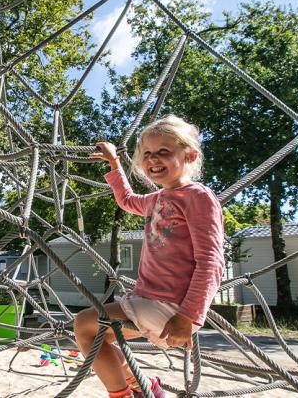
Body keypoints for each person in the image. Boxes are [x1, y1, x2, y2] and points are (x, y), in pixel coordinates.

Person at [73, 115, 224, 398]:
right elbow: (128, 200)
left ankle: (124, 394)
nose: (154, 159)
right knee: (97, 336)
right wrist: (115, 164)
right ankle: (143, 386)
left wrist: (189, 317)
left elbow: (212, 261)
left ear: (190, 155)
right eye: (147, 154)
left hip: (170, 305)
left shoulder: (197, 196)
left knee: (84, 325)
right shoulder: (158, 199)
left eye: (164, 152)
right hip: (148, 298)